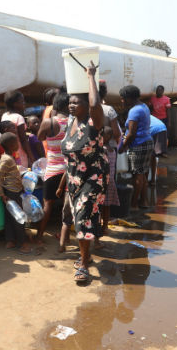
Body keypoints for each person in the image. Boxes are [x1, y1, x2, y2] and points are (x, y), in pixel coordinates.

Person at [60, 61, 109, 283]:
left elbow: (96, 104)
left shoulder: (94, 120)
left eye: (76, 102)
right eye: (70, 102)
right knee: (84, 216)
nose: (71, 106)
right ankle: (86, 253)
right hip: (74, 179)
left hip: (93, 177)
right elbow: (68, 156)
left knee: (81, 218)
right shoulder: (71, 122)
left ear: (86, 105)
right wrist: (64, 183)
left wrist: (91, 76)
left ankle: (84, 264)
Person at [34, 92, 69, 244]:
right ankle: (65, 237)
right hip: (69, 168)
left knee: (48, 204)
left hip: (53, 168)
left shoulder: (49, 122)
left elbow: (40, 137)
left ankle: (40, 236)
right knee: (69, 205)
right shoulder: (74, 122)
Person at [0, 132, 33, 255]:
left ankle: (10, 240)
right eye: (16, 142)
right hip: (11, 192)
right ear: (11, 145)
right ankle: (22, 243)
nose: (18, 144)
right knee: (18, 218)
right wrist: (1, 193)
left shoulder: (8, 157)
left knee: (10, 217)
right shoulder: (7, 159)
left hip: (13, 190)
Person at [118, 85, 153, 209]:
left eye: (123, 98)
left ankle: (133, 204)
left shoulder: (134, 110)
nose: (122, 101)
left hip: (138, 144)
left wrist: (123, 146)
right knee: (142, 174)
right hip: (147, 142)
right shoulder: (143, 106)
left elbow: (132, 133)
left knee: (137, 175)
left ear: (129, 98)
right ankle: (144, 201)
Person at [98, 126, 119, 248]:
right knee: (107, 206)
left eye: (102, 135)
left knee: (100, 206)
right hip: (111, 180)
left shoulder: (103, 149)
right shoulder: (112, 149)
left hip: (103, 181)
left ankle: (101, 227)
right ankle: (105, 226)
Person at [1, 90, 34, 168]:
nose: (24, 103)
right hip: (20, 154)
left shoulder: (4, 116)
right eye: (22, 101)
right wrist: (31, 157)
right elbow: (23, 140)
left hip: (9, 154)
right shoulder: (19, 117)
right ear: (15, 104)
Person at [148, 115, 167, 186]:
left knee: (148, 156)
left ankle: (146, 180)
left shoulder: (133, 117)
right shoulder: (144, 112)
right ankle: (152, 180)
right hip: (162, 128)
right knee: (153, 155)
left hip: (154, 130)